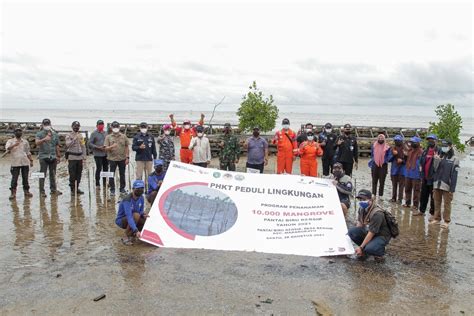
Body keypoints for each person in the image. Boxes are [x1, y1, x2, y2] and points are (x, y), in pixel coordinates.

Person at [348, 189, 391, 261]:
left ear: (370, 200)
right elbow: (359, 226)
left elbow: (371, 233)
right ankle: (365, 249)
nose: (361, 201)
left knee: (371, 249)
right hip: (369, 231)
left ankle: (379, 252)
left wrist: (361, 247)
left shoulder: (377, 213)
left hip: (381, 235)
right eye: (360, 199)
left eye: (364, 199)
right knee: (352, 232)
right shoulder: (362, 209)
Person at [429, 139, 460, 229]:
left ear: (450, 146)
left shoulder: (454, 159)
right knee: (436, 202)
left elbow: (454, 175)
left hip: (447, 185)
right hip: (437, 183)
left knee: (447, 204)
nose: (444, 148)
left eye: (446, 146)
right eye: (443, 146)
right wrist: (436, 160)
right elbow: (435, 169)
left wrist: (452, 189)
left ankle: (446, 221)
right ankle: (437, 218)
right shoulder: (439, 156)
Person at [115, 179, 148, 245]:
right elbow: (129, 216)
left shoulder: (141, 198)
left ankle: (133, 235)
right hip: (122, 220)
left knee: (146, 219)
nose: (140, 190)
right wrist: (136, 230)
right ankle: (126, 236)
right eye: (138, 188)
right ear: (133, 189)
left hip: (133, 217)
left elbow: (140, 211)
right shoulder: (127, 200)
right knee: (136, 215)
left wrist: (143, 214)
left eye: (142, 188)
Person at [35, 118, 62, 197]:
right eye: (45, 124)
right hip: (43, 156)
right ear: (43, 125)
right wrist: (44, 139)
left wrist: (58, 155)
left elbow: (57, 145)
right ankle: (42, 191)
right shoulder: (39, 134)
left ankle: (53, 189)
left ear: (50, 124)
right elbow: (36, 143)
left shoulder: (55, 134)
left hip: (53, 156)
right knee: (42, 174)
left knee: (53, 174)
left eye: (48, 124)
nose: (47, 126)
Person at [7, 127, 34, 199]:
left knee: (25, 178)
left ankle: (26, 191)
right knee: (14, 178)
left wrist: (31, 160)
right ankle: (13, 193)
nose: (18, 132)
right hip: (15, 163)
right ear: (14, 133)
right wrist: (14, 145)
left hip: (25, 162)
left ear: (22, 133)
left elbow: (28, 152)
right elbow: (7, 148)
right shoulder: (10, 141)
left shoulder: (25, 141)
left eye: (20, 131)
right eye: (17, 131)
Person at [415, 134, 438, 216]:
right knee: (423, 195)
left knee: (433, 197)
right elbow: (421, 162)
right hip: (425, 177)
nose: (430, 141)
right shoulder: (425, 151)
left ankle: (432, 214)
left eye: (432, 140)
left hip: (433, 178)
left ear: (436, 141)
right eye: (429, 140)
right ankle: (421, 211)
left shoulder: (439, 151)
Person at [104, 121, 130, 195]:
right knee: (111, 174)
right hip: (112, 159)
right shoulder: (108, 137)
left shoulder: (123, 136)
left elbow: (127, 147)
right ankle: (112, 189)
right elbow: (105, 148)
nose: (115, 128)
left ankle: (122, 188)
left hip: (122, 158)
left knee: (122, 174)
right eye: (114, 127)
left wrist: (127, 157)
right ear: (111, 128)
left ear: (119, 127)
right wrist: (111, 146)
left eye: (117, 127)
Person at [65, 121, 87, 195]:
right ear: (72, 126)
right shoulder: (68, 135)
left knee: (79, 174)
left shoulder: (80, 135)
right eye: (75, 126)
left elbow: (83, 146)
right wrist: (74, 139)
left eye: (78, 126)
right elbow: (67, 145)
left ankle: (77, 188)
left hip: (79, 157)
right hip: (72, 157)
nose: (76, 128)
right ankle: (72, 189)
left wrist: (84, 157)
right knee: (72, 174)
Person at [403, 136, 423, 210]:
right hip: (408, 173)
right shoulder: (410, 151)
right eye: (412, 142)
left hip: (416, 174)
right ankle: (407, 203)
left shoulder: (421, 152)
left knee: (416, 190)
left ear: (418, 143)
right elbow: (406, 160)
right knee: (407, 189)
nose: (412, 144)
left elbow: (422, 163)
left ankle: (415, 205)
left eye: (414, 142)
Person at [89, 120, 109, 188]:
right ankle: (97, 183)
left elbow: (108, 141)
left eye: (102, 124)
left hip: (105, 154)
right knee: (99, 168)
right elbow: (90, 143)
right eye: (99, 124)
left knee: (106, 168)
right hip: (97, 154)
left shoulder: (106, 133)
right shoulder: (93, 133)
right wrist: (97, 147)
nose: (101, 126)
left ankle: (105, 182)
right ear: (97, 125)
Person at [388, 135, 406, 203]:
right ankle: (393, 198)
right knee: (394, 185)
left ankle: (400, 199)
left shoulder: (405, 149)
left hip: (402, 170)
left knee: (401, 186)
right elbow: (388, 159)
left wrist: (402, 161)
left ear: (401, 141)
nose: (397, 142)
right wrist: (394, 155)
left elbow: (408, 160)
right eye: (395, 141)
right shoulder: (392, 149)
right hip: (394, 170)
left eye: (398, 141)